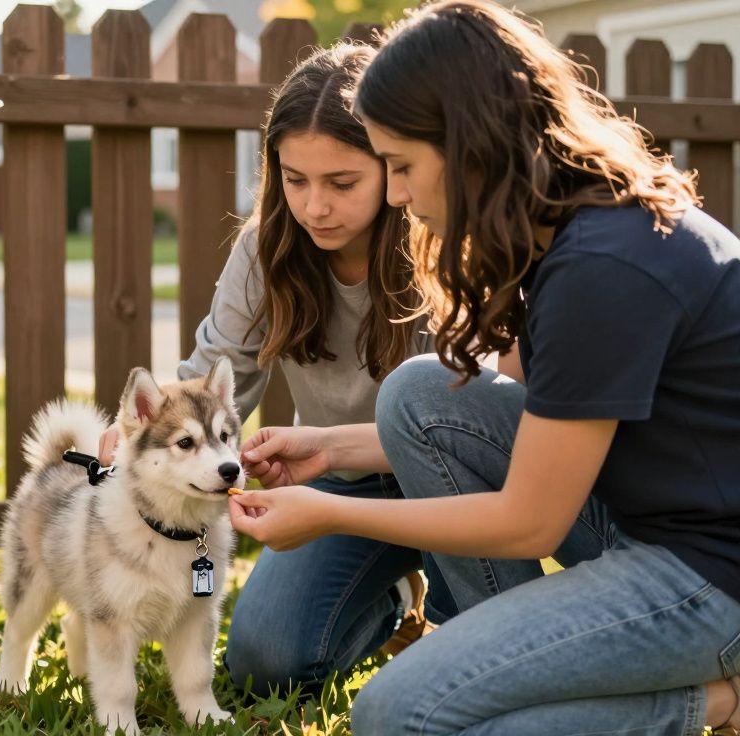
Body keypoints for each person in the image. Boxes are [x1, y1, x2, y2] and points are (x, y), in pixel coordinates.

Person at [228, 2, 740, 733]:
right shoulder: (568, 231)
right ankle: (506, 666)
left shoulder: (606, 263)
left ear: (469, 144)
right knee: (419, 394)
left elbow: (531, 520)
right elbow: (532, 425)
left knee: (398, 715)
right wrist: (330, 449)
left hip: (712, 575)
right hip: (646, 524)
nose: (397, 195)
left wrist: (329, 512)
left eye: (401, 166)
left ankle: (714, 700)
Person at [99, 43, 457, 698]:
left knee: (464, 668)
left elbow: (480, 416)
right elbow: (212, 372)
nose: (314, 206)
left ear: (392, 164)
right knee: (265, 665)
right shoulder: (266, 250)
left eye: (341, 183)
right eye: (295, 180)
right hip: (339, 487)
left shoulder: (443, 242)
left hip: (454, 484)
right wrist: (130, 437)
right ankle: (393, 594)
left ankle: (446, 607)